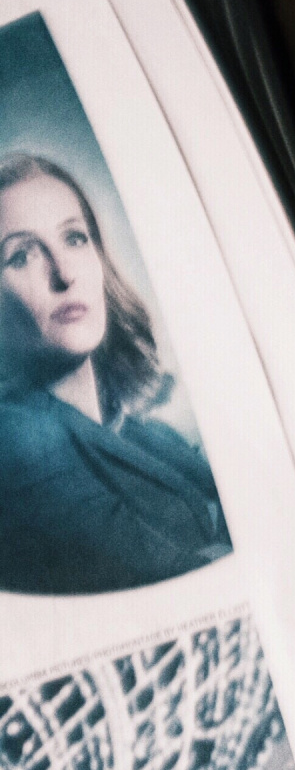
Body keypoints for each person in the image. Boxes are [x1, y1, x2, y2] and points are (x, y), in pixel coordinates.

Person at [0, 153, 229, 594]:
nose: (64, 273)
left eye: (74, 238)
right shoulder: (13, 442)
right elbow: (179, 585)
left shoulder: (146, 434)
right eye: (21, 256)